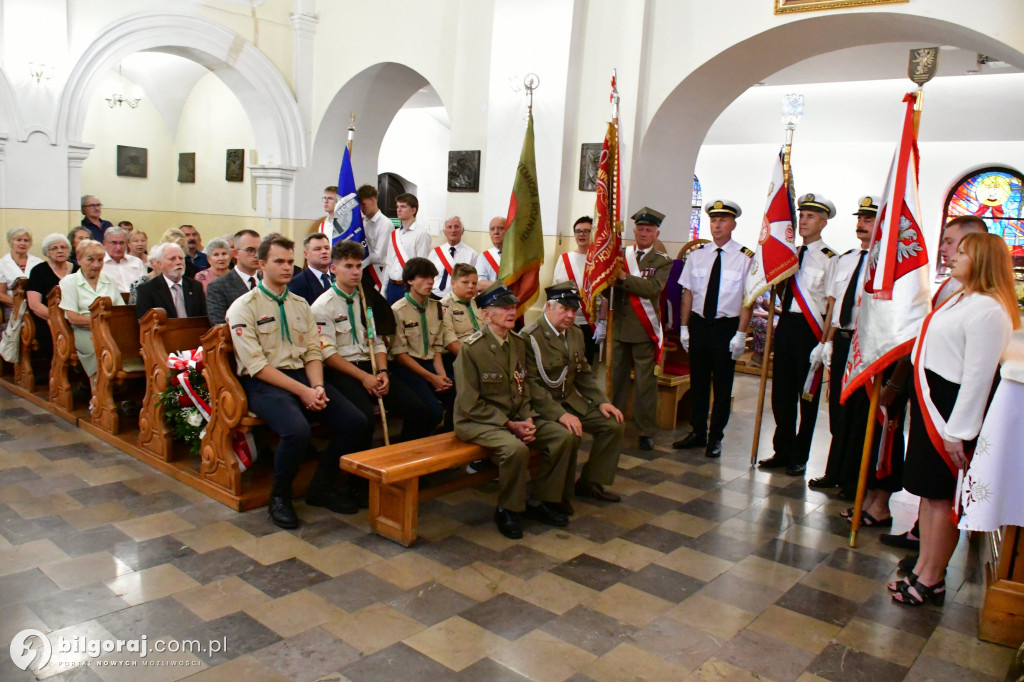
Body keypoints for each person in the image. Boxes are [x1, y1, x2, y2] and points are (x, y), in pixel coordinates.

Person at [891, 232, 1018, 606]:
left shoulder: (990, 309)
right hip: (933, 399)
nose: (953, 256)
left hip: (949, 410)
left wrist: (958, 432)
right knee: (929, 497)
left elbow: (978, 377)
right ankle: (923, 568)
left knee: (942, 498)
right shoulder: (962, 299)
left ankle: (931, 577)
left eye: (963, 252)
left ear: (982, 260)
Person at [226, 235, 360, 529]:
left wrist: (318, 387)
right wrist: (303, 392)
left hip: (303, 377)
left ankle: (321, 488)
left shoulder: (301, 304)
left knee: (355, 421)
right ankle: (279, 497)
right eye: (279, 262)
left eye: (290, 262)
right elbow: (256, 365)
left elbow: (313, 350)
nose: (287, 268)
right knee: (297, 429)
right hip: (264, 383)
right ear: (261, 264)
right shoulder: (243, 307)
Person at [879, 215, 989, 550]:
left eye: (950, 242)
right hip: (931, 392)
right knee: (929, 488)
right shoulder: (954, 288)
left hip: (945, 402)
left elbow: (975, 372)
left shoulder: (981, 300)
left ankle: (930, 560)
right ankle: (921, 537)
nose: (943, 250)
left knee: (939, 489)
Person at [454, 282, 577, 539]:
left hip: (516, 417)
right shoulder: (471, 349)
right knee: (515, 449)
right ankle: (507, 510)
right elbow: (469, 404)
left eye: (513, 307)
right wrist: (510, 425)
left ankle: (541, 501)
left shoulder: (518, 343)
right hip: (479, 421)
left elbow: (524, 386)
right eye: (503, 308)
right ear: (485, 314)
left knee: (562, 437)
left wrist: (528, 418)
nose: (511, 312)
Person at [314, 240, 435, 446]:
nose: (355, 272)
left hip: (373, 368)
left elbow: (376, 340)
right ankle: (360, 475)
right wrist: (364, 378)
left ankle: (401, 465)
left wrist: (383, 372)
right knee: (364, 421)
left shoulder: (367, 301)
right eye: (348, 266)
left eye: (359, 266)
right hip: (344, 372)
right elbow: (329, 355)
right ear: (333, 269)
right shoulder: (322, 306)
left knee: (421, 411)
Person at [523, 282, 625, 509]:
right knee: (569, 433)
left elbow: (584, 374)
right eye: (564, 309)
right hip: (544, 407)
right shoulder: (529, 337)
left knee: (613, 424)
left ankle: (590, 483)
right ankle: (556, 494)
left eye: (574, 310)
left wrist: (602, 401)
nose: (571, 315)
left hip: (571, 401)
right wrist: (559, 414)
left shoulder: (576, 334)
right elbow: (531, 386)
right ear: (549, 307)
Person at [760, 193, 837, 476]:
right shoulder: (790, 253)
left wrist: (825, 341)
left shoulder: (830, 259)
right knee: (781, 392)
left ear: (823, 222)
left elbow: (831, 305)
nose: (803, 221)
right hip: (787, 325)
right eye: (801, 215)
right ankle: (782, 449)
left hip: (811, 330)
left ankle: (800, 454)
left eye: (811, 216)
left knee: (807, 395)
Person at [673, 200, 753, 458]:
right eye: (713, 220)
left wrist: (741, 334)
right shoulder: (697, 256)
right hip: (699, 324)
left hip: (726, 327)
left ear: (733, 224)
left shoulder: (745, 258)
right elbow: (687, 294)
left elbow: (747, 300)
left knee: (722, 384)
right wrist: (684, 328)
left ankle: (716, 436)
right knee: (698, 381)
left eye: (722, 220)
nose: (717, 225)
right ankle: (698, 431)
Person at [808, 196, 877, 490]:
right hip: (843, 341)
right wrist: (827, 343)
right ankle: (834, 471)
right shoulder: (844, 260)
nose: (861, 224)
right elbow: (835, 306)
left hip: (868, 345)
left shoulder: (885, 265)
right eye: (860, 218)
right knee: (838, 408)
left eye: (869, 219)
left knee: (860, 415)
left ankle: (853, 479)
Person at [609, 207, 673, 450]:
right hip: (620, 327)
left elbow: (652, 288)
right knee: (615, 380)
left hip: (644, 330)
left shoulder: (662, 261)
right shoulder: (620, 255)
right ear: (634, 231)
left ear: (656, 233)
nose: (644, 233)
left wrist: (624, 277)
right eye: (640, 229)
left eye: (648, 230)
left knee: (646, 384)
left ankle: (646, 430)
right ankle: (613, 423)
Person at [389, 257, 454, 432]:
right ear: (410, 280)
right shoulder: (397, 310)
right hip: (408, 367)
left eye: (432, 277)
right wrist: (432, 378)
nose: (430, 282)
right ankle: (409, 449)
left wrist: (441, 375)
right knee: (431, 411)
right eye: (424, 277)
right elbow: (400, 355)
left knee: (460, 397)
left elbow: (437, 348)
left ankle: (446, 444)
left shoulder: (436, 307)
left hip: (431, 364)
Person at [59, 240, 124, 395]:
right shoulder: (69, 282)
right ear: (79, 260)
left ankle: (124, 393)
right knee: (99, 350)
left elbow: (121, 311)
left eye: (100, 260)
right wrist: (99, 323)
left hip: (111, 329)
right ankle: (99, 396)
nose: (96, 265)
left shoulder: (109, 280)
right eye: (90, 259)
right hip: (82, 330)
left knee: (129, 348)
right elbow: (73, 317)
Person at [551, 216, 599, 365]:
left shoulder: (598, 260)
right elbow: (554, 290)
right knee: (565, 362)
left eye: (586, 231)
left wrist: (602, 323)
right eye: (578, 231)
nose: (582, 234)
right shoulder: (564, 259)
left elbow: (604, 295)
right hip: (566, 322)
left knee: (586, 365)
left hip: (589, 323)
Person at [26, 233, 77, 358]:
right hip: (46, 317)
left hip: (74, 316)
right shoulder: (38, 271)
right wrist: (58, 319)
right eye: (54, 248)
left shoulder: (77, 270)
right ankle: (53, 371)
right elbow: (34, 304)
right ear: (46, 252)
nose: (60, 251)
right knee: (50, 333)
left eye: (63, 247)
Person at [134, 243, 207, 320]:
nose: (179, 262)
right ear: (160, 264)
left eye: (181, 258)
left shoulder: (195, 286)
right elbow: (145, 323)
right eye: (172, 259)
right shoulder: (147, 289)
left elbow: (203, 319)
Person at [206, 229, 262, 326]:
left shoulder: (266, 282)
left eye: (260, 250)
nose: (257, 255)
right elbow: (220, 327)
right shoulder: (218, 286)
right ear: (236, 253)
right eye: (250, 250)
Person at [383, 193, 431, 304]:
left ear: (413, 210)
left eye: (403, 206)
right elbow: (389, 263)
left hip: (408, 287)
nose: (398, 210)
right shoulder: (394, 234)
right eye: (397, 206)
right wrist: (384, 288)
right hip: (392, 285)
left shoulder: (421, 234)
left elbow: (422, 267)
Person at [0, 227, 44, 329]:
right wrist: (22, 305)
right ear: (11, 242)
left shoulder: (38, 262)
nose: (22, 243)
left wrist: (33, 304)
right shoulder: (2, 264)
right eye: (18, 240)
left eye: (26, 240)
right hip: (12, 307)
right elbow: (1, 295)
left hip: (36, 305)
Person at [428, 216, 478, 299]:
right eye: (449, 227)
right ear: (444, 231)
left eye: (456, 227)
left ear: (462, 231)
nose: (453, 230)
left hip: (458, 299)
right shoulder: (435, 253)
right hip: (434, 296)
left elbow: (474, 281)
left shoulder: (472, 254)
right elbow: (427, 276)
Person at [357, 184, 393, 292]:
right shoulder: (363, 222)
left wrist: (359, 262)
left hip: (378, 273)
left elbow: (379, 256)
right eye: (360, 205)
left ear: (373, 200)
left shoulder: (385, 224)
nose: (361, 208)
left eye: (364, 204)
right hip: (364, 270)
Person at [441, 263, 481, 356]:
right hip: (460, 357)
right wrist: (477, 360)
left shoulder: (478, 303)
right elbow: (451, 344)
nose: (471, 286)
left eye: (474, 283)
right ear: (453, 283)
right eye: (465, 282)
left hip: (483, 353)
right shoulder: (444, 306)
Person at [288, 233, 334, 305]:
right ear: (306, 254)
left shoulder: (338, 279)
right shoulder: (296, 284)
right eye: (317, 249)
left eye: (327, 248)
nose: (324, 251)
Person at [100, 226, 146, 294]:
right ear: (104, 244)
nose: (118, 247)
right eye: (114, 243)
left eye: (121, 243)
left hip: (137, 302)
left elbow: (145, 287)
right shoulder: (100, 264)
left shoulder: (137, 262)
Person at [475, 217, 506, 290]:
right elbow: (479, 284)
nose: (496, 232)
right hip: (491, 300)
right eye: (492, 229)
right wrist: (506, 285)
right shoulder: (484, 257)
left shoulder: (515, 256)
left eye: (501, 228)